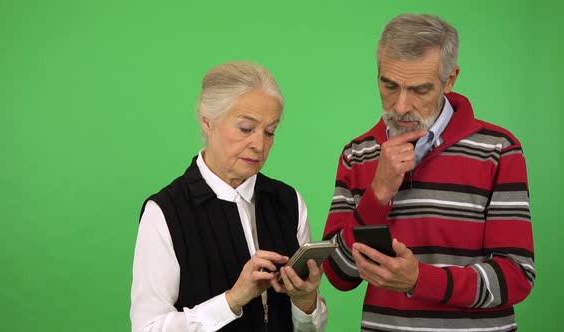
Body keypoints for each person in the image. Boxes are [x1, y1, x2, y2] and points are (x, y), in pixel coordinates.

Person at [322, 14, 535, 331]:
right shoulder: (358, 154)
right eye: (389, 85)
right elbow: (339, 275)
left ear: (450, 80)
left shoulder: (499, 150)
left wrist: (421, 280)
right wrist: (377, 195)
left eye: (420, 89)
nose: (401, 105)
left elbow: (517, 277)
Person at [130, 61, 328, 332]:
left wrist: (306, 302)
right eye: (246, 128)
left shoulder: (289, 201)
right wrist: (232, 300)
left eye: (270, 132)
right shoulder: (165, 211)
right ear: (207, 121)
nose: (259, 145)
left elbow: (310, 329)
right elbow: (147, 328)